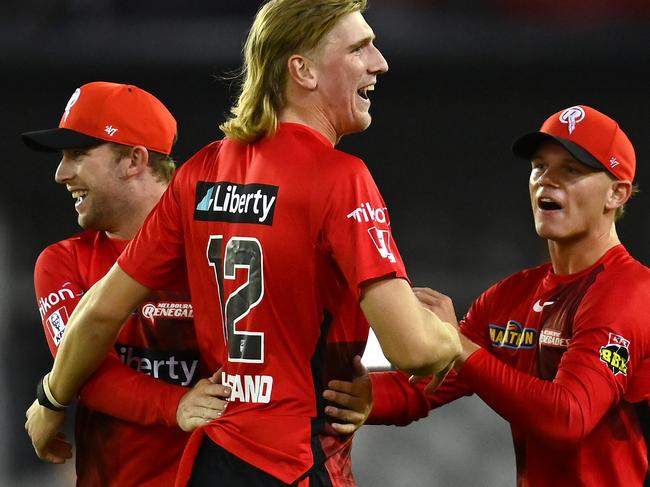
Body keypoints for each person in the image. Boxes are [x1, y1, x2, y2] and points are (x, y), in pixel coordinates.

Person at [25, 1, 461, 486]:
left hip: (218, 459)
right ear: (303, 70)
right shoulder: (340, 177)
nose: (380, 62)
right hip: (296, 462)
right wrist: (448, 336)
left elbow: (97, 313)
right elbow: (415, 350)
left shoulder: (202, 170)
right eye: (360, 48)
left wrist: (49, 402)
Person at [326, 104, 650, 486]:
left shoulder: (630, 292)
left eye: (572, 170)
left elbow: (568, 418)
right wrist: (357, 397)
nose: (547, 180)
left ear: (617, 194)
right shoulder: (511, 297)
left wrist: (460, 346)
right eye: (539, 167)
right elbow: (426, 386)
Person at [22, 81, 230, 486]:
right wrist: (177, 404)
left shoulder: (222, 249)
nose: (61, 174)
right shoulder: (63, 261)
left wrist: (50, 400)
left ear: (134, 159)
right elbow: (86, 373)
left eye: (78, 154)